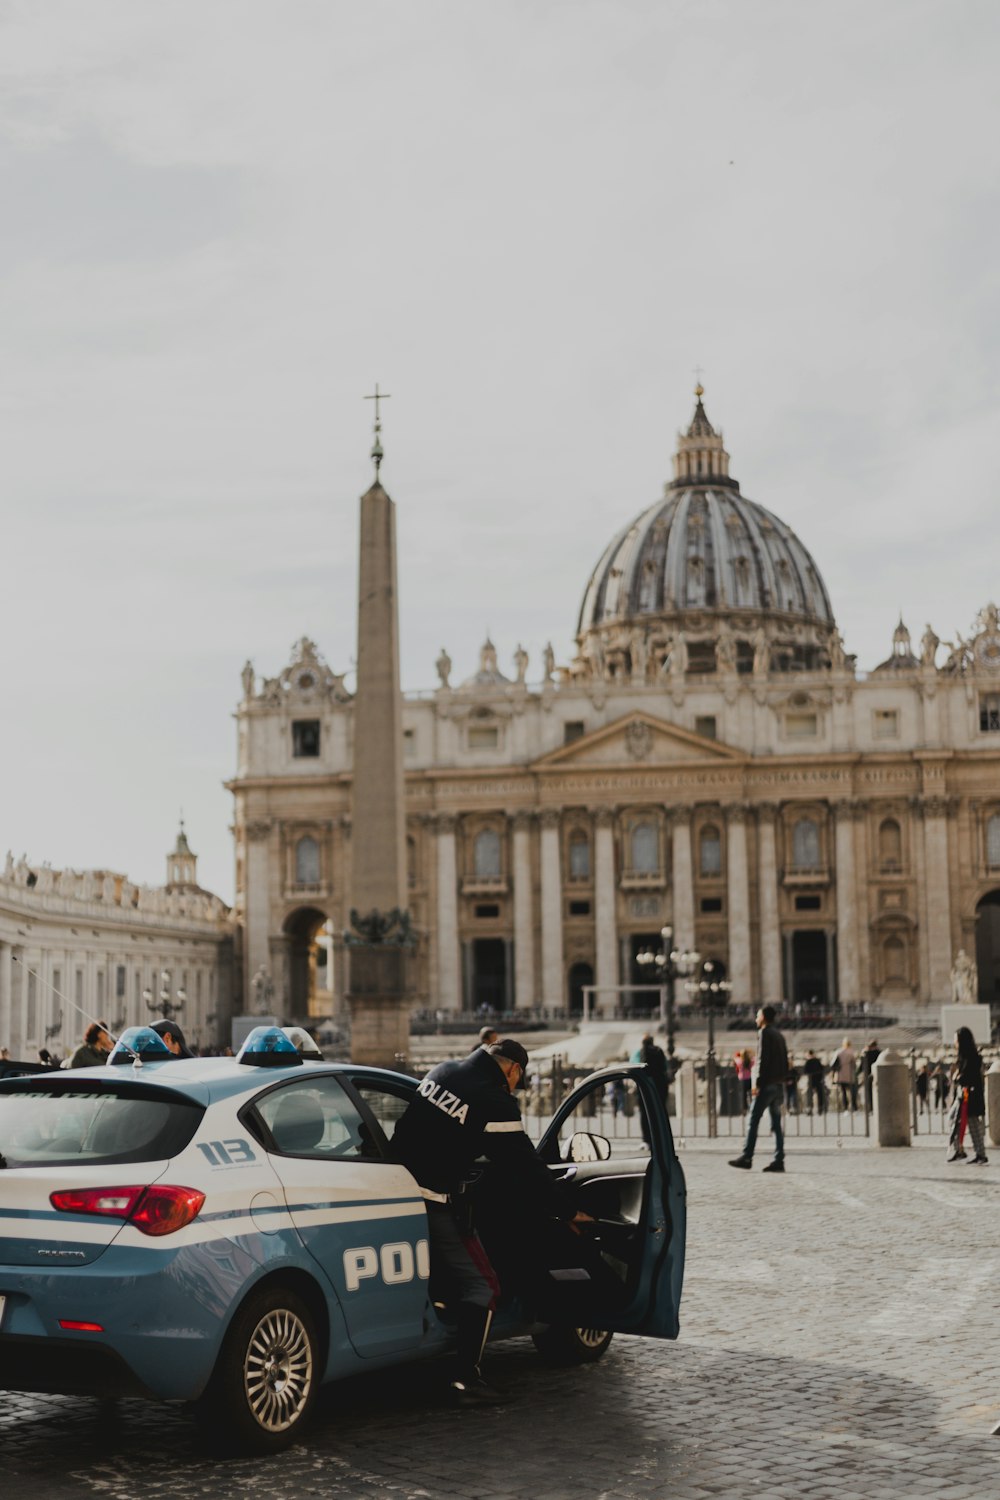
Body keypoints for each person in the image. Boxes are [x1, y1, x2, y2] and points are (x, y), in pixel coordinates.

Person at [390, 1038, 591, 1405]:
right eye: (518, 1078)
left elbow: (417, 1130)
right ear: (513, 1069)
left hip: (396, 1193)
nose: (515, 1085)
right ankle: (466, 1380)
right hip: (435, 1200)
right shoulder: (493, 1101)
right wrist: (565, 1210)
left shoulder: (443, 1071)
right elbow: (525, 1166)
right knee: (483, 1286)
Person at [729, 1006, 788, 1173]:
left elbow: (762, 1060)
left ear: (763, 1017)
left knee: (753, 1120)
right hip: (777, 1085)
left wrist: (758, 1085)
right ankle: (779, 1159)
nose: (755, 1018)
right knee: (776, 1124)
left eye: (757, 1015)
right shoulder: (779, 1035)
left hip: (767, 1084)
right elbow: (784, 1060)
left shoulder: (764, 1033)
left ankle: (747, 1156)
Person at [948, 1026, 987, 1164]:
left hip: (970, 1096)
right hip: (964, 1096)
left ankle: (980, 1154)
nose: (954, 1042)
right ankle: (959, 1150)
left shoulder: (972, 1057)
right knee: (954, 1119)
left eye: (956, 1039)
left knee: (973, 1124)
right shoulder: (964, 1056)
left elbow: (968, 1077)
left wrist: (957, 1077)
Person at [833, 1038, 857, 1111]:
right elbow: (854, 1064)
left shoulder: (838, 1052)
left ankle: (845, 1107)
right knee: (852, 1091)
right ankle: (853, 1106)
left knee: (843, 1092)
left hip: (840, 1074)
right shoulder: (851, 1052)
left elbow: (833, 1063)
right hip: (849, 1073)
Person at [803, 1050, 826, 1115]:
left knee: (809, 1095)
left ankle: (809, 1108)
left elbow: (805, 1071)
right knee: (820, 1094)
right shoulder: (817, 1061)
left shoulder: (808, 1062)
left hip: (811, 1080)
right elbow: (822, 1070)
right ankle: (820, 1108)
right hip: (818, 1080)